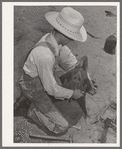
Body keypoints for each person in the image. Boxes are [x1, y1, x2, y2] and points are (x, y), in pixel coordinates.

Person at [18, 7, 97, 134]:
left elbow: (71, 61)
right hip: (32, 87)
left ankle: (42, 102)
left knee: (64, 86)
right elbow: (51, 89)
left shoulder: (53, 40)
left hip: (43, 77)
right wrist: (72, 93)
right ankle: (32, 110)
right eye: (71, 37)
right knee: (62, 126)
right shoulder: (45, 55)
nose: (72, 40)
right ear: (62, 34)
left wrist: (86, 80)